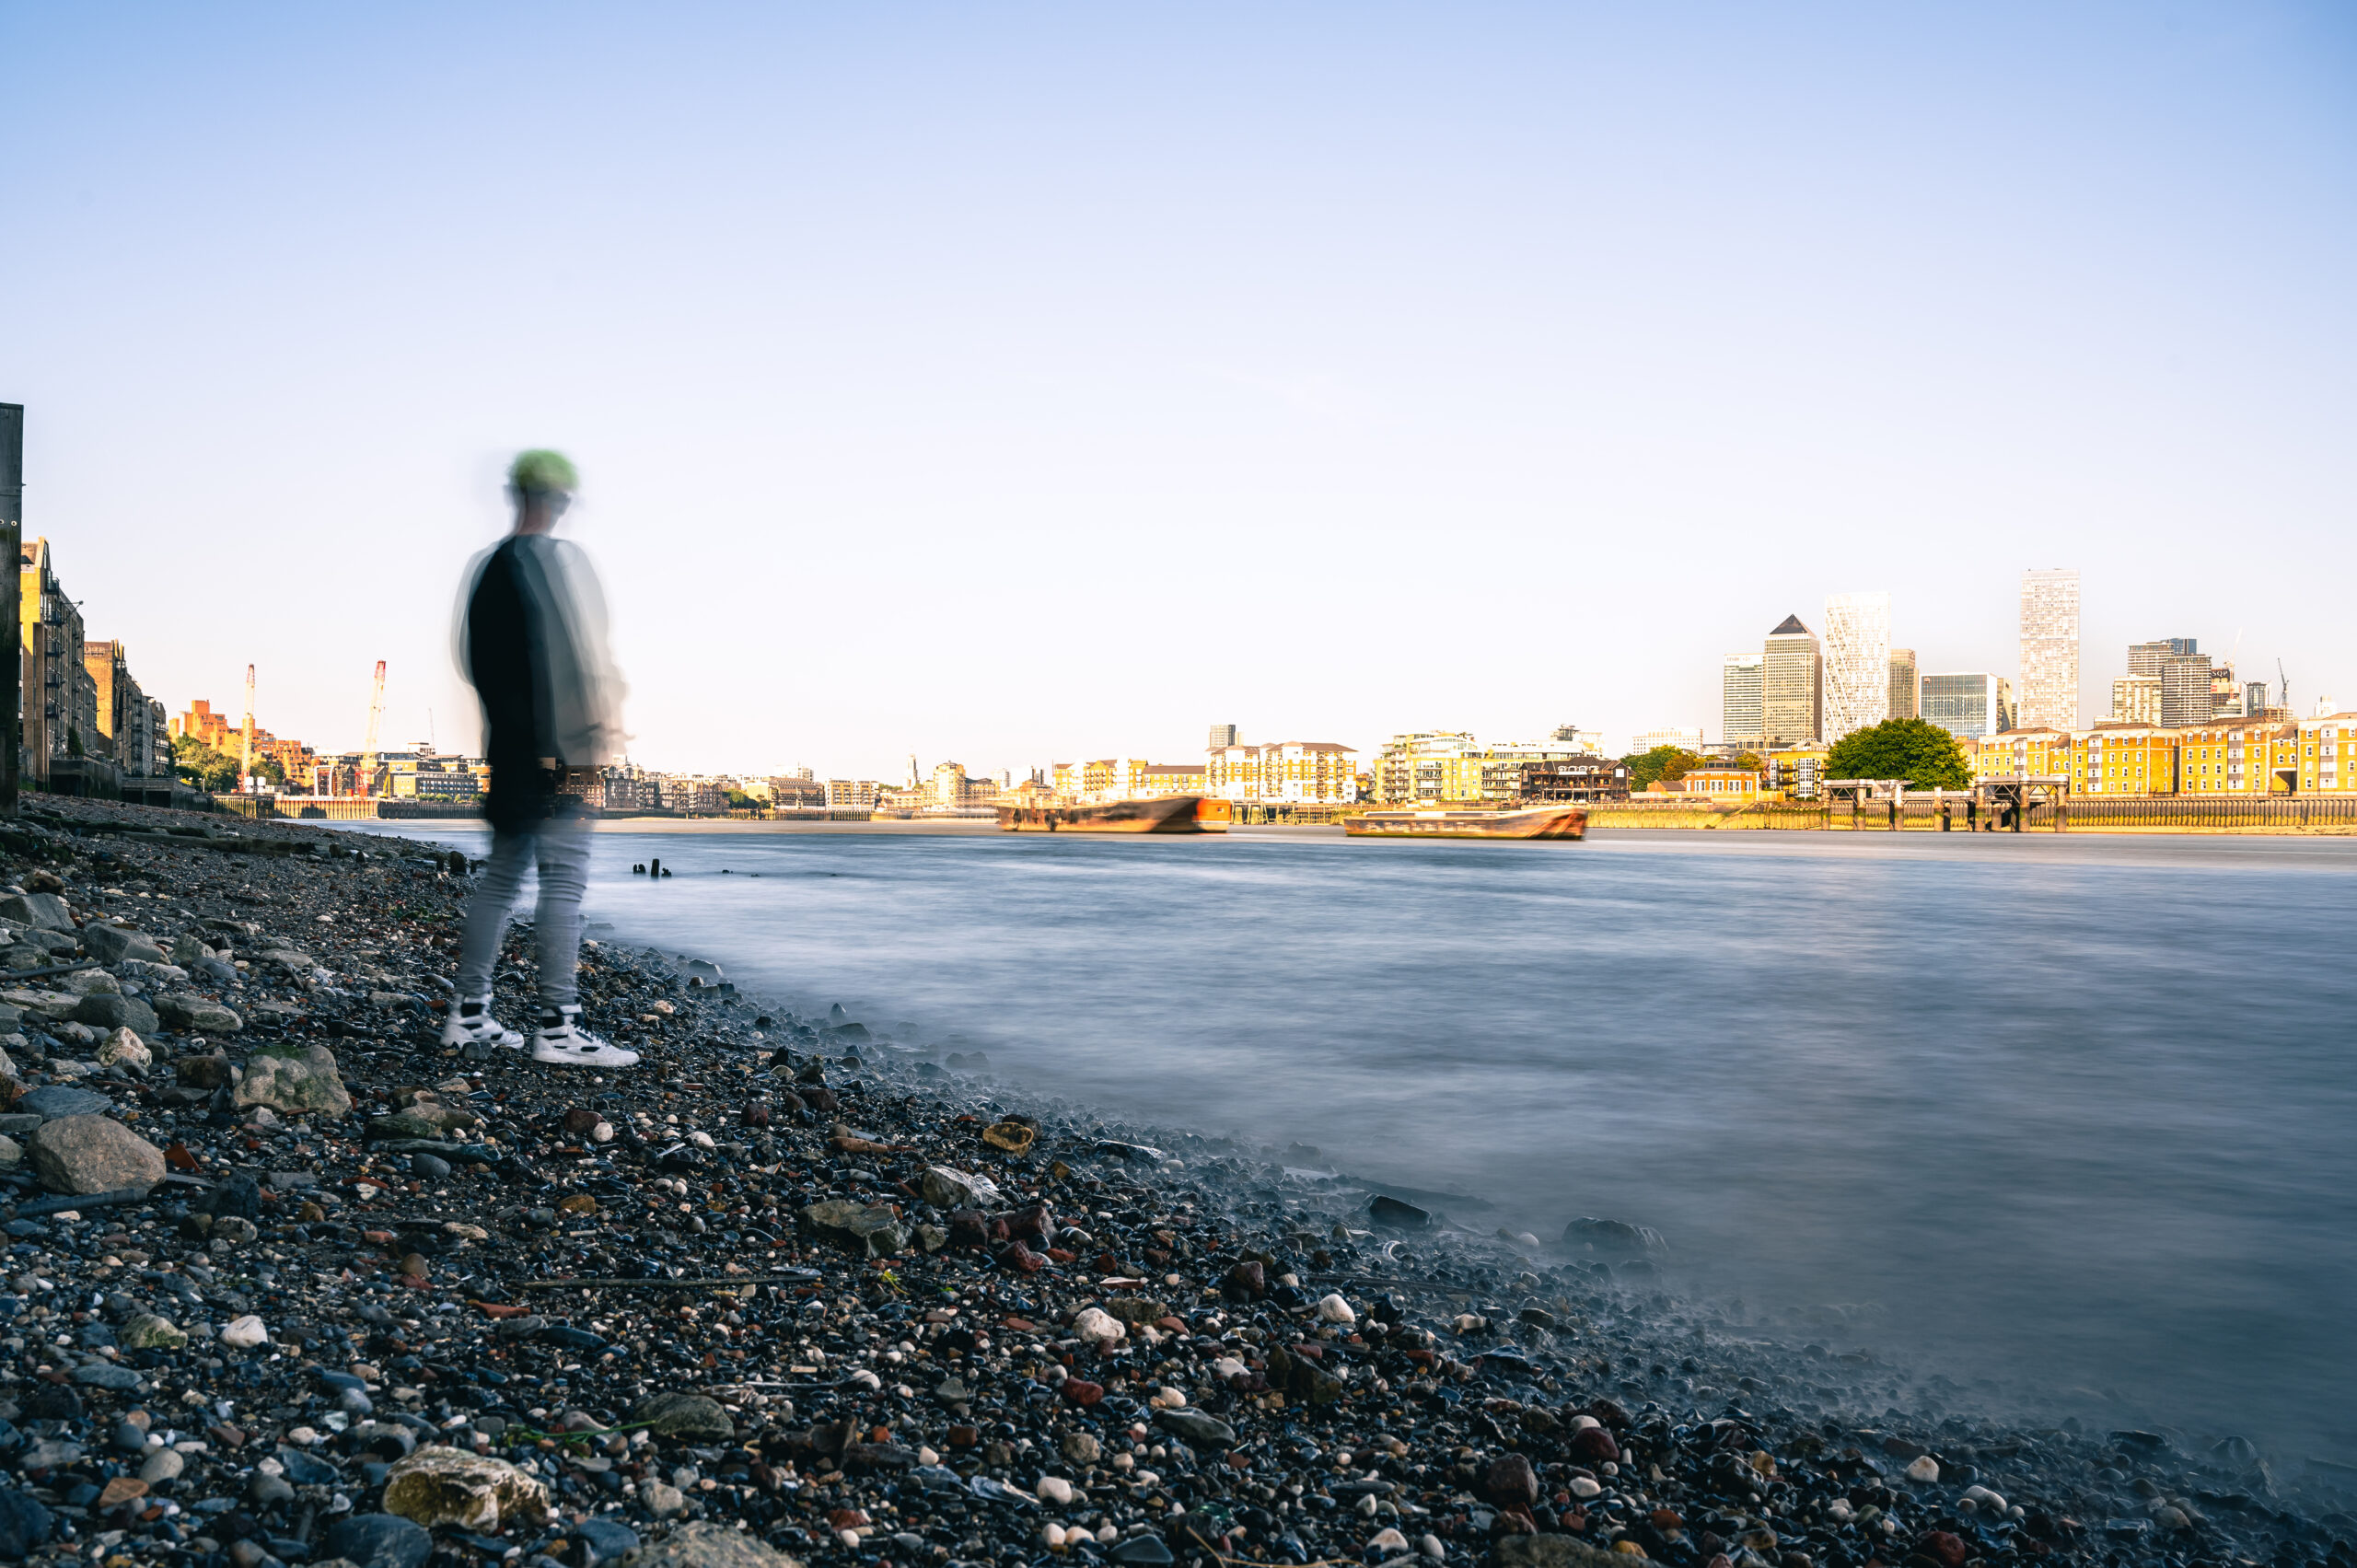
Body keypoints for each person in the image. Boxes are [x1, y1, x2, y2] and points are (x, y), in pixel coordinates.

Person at [443, 449, 639, 1068]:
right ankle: (558, 1028)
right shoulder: (553, 563)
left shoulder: (487, 568)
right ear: (555, 500)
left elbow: (468, 659)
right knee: (565, 880)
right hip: (559, 750)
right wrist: (595, 736)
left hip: (508, 747)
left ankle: (468, 1015)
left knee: (500, 881)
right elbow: (577, 660)